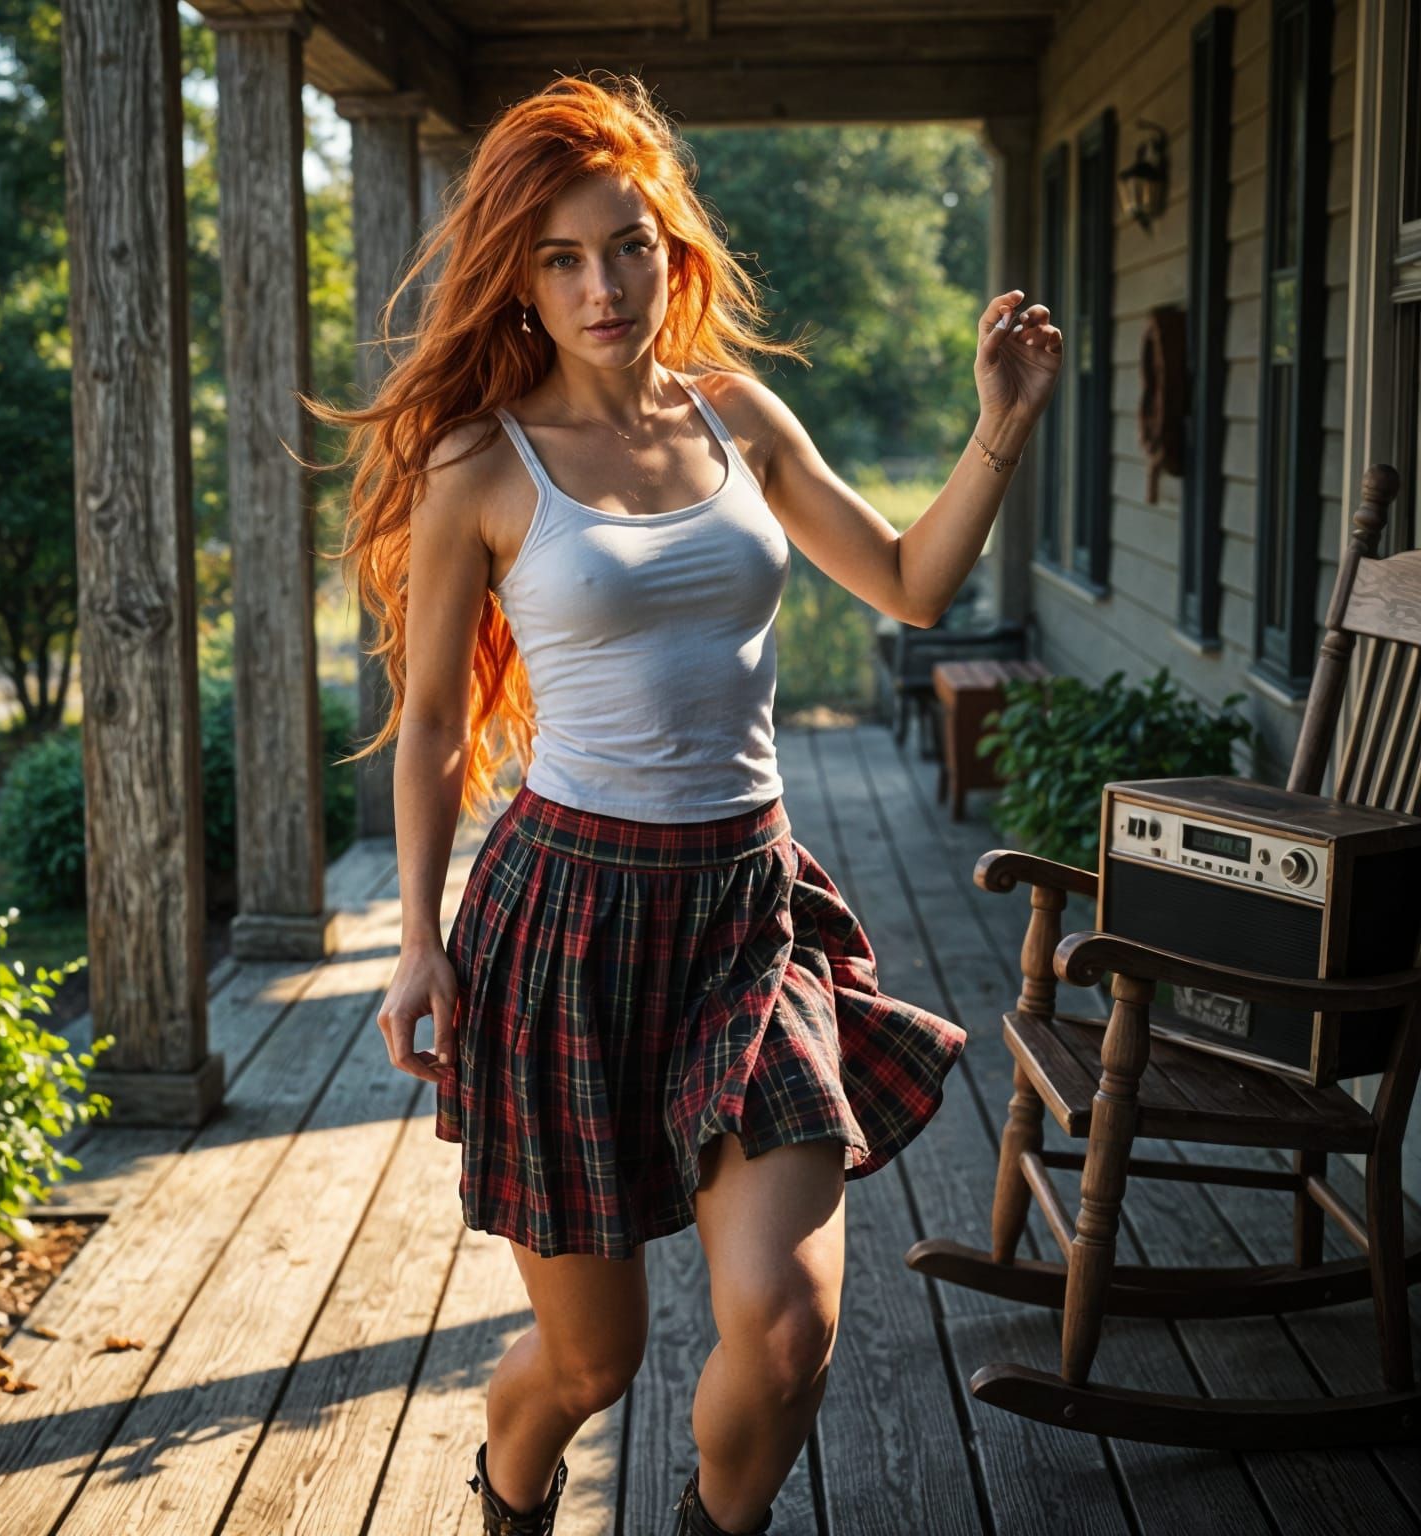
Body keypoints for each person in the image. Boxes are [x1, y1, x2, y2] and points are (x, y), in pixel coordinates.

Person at [308, 72, 1061, 1536]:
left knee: (782, 1335)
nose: (606, 284)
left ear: (674, 248)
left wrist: (1003, 425)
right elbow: (437, 731)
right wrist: (416, 941)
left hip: (749, 914)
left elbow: (911, 582)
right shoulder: (483, 462)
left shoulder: (736, 416)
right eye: (564, 257)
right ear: (520, 277)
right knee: (594, 1361)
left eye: (631, 244)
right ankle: (512, 1491)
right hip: (565, 924)